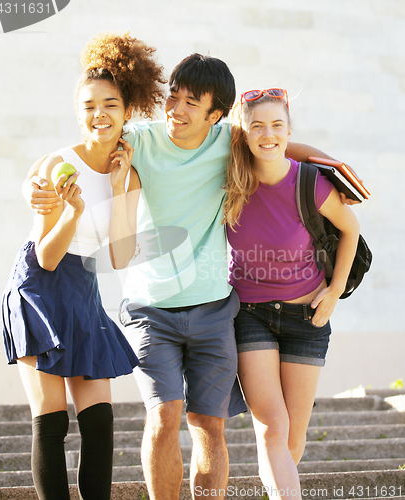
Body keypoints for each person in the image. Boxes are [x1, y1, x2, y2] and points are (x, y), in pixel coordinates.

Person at [23, 54, 349, 500]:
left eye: (190, 103)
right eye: (172, 97)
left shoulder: (228, 142)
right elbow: (84, 145)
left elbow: (275, 141)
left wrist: (336, 167)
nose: (175, 109)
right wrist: (33, 180)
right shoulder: (140, 139)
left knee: (209, 425)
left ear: (216, 114)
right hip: (149, 309)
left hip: (214, 309)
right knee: (163, 418)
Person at [2, 32, 166, 500]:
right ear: (79, 113)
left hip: (85, 290)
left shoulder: (128, 175)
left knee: (99, 421)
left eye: (110, 104)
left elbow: (118, 256)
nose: (100, 115)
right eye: (90, 106)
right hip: (40, 286)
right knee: (52, 419)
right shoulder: (58, 165)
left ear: (127, 111)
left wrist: (117, 190)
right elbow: (46, 256)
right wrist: (72, 213)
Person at [223, 88, 360, 499]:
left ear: (289, 129)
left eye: (277, 125)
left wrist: (335, 291)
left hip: (307, 318)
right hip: (251, 314)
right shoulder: (230, 180)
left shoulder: (311, 184)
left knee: (293, 439)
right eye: (257, 127)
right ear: (242, 133)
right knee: (271, 427)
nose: (268, 135)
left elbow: (351, 228)